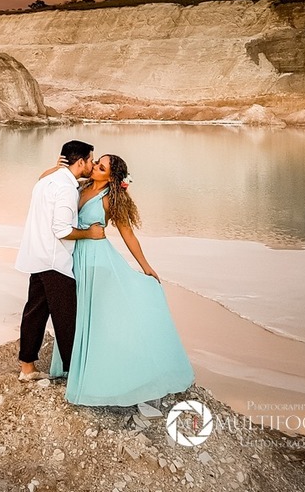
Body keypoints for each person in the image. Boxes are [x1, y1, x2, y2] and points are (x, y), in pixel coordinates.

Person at [48, 153, 195, 405]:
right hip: (74, 256)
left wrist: (146, 267)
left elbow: (128, 236)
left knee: (95, 312)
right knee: (74, 309)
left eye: (101, 167)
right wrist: (57, 168)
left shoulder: (110, 200)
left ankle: (95, 369)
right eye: (96, 163)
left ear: (112, 178)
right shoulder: (79, 186)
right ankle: (71, 362)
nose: (95, 167)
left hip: (96, 260)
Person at [14, 140, 105, 381]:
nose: (93, 164)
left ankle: (27, 369)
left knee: (34, 313)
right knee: (67, 319)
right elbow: (62, 230)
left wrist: (56, 169)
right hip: (54, 260)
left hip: (36, 255)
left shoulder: (47, 181)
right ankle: (76, 374)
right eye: (91, 160)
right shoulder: (65, 188)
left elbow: (44, 179)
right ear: (80, 162)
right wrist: (90, 233)